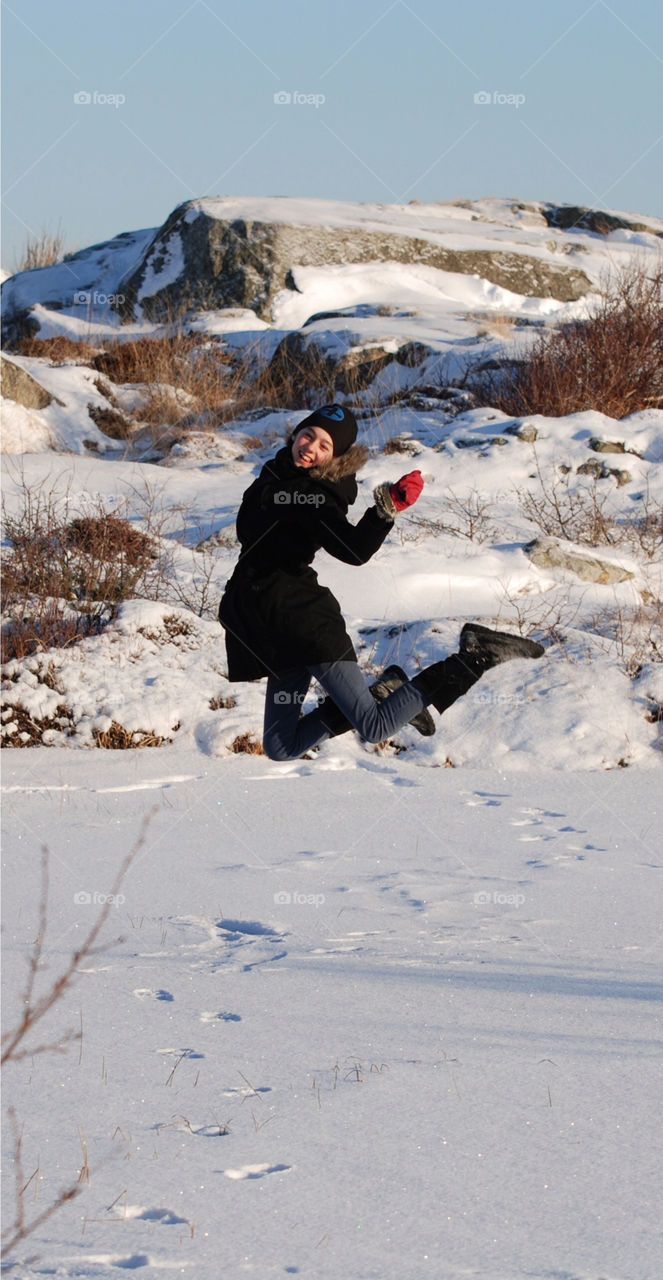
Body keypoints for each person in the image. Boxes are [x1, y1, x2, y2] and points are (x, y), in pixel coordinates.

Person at [218, 403, 544, 761]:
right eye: (308, 435)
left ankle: (472, 657)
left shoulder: (314, 498)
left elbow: (353, 549)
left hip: (308, 629)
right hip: (278, 636)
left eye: (324, 446)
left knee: (374, 727)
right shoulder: (273, 476)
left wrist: (384, 510)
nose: (310, 447)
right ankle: (380, 693)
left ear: (334, 458)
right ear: (296, 434)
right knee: (281, 747)